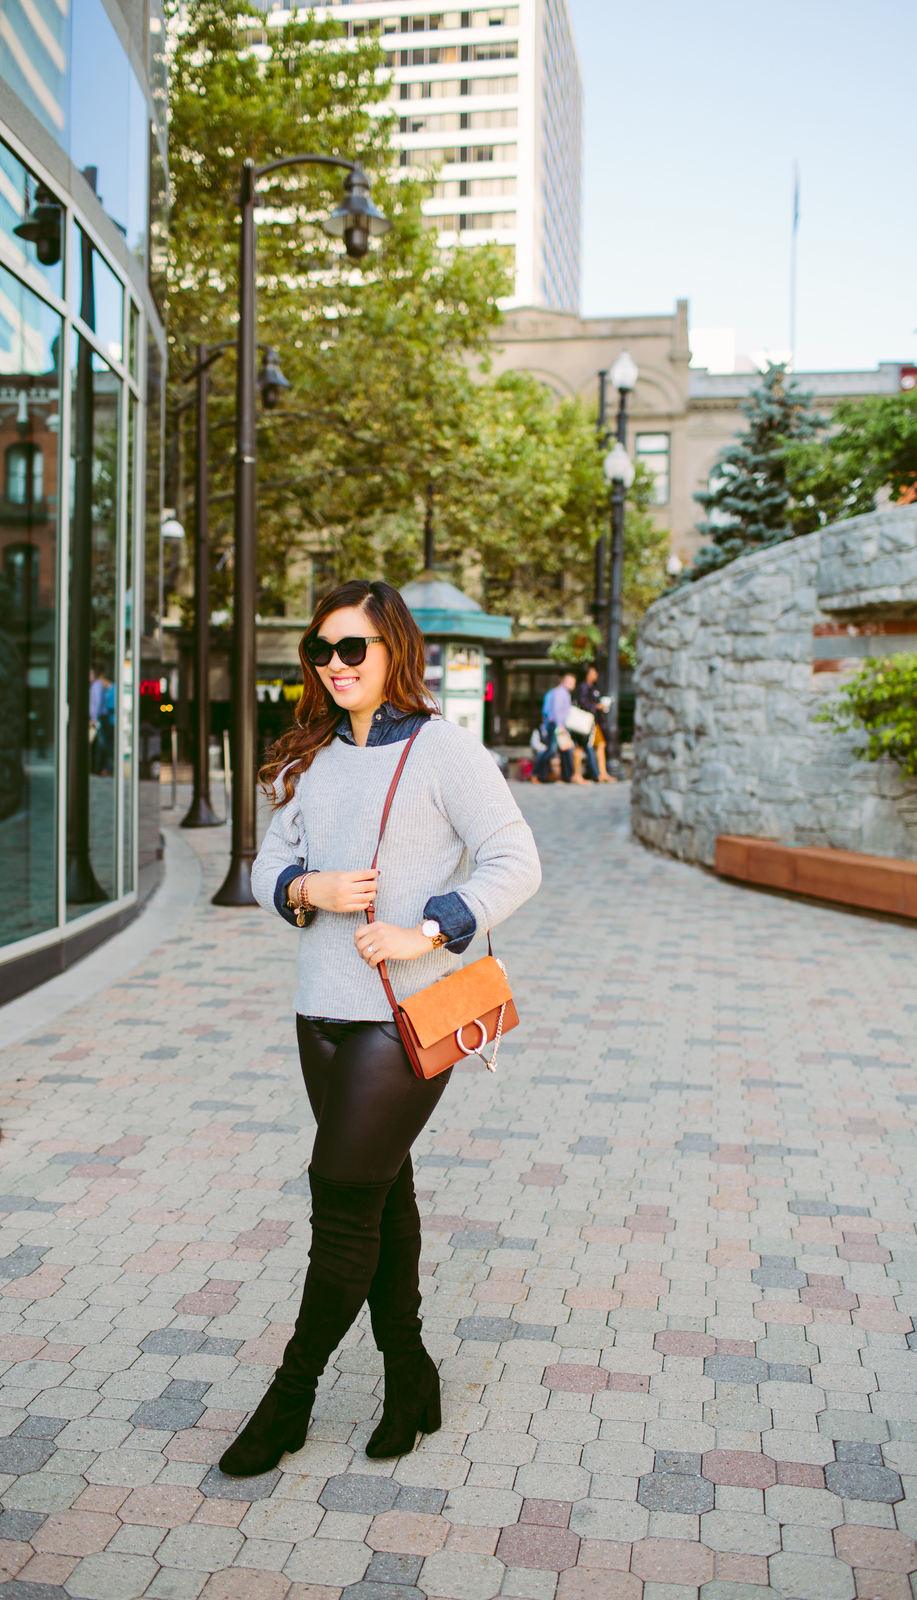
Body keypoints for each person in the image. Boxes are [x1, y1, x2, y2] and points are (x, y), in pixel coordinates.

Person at [223, 579, 541, 1478]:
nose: (334, 666)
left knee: (338, 1203)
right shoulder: (311, 753)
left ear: (393, 650)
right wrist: (303, 890)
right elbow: (267, 864)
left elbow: (517, 861)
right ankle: (410, 1373)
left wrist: (429, 926)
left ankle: (289, 1398)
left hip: (404, 1023)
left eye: (352, 648)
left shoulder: (443, 751)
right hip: (318, 1014)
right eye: (321, 651)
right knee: (380, 1190)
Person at [532, 671, 576, 783]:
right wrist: (560, 726)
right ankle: (536, 773)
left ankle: (566, 776)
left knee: (565, 750)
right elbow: (556, 710)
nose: (573, 685)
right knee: (551, 750)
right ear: (563, 681)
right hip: (557, 726)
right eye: (571, 682)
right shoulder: (560, 692)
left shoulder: (563, 693)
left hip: (559, 725)